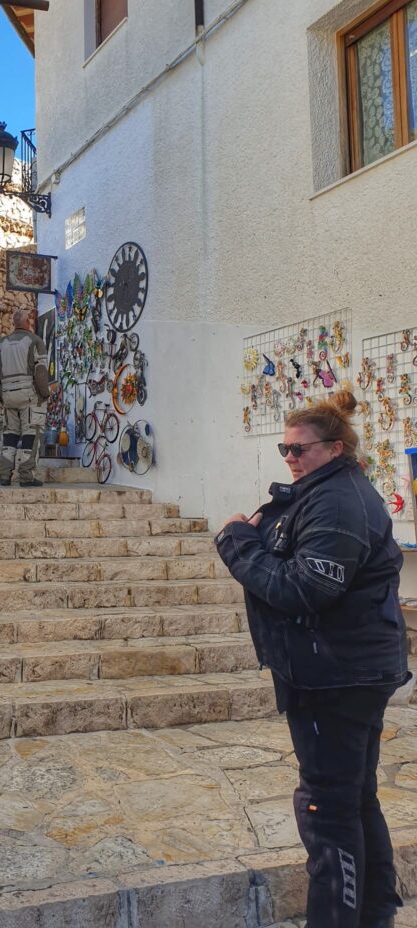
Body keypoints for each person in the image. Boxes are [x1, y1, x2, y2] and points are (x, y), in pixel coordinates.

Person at [215, 389, 409, 928]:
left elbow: (304, 589)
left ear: (336, 448)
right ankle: (373, 915)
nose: (290, 458)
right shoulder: (327, 493)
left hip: (337, 677)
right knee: (354, 798)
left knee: (327, 812)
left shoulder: (337, 501)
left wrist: (237, 542)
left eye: (300, 449)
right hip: (344, 670)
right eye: (285, 449)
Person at [0, 308, 50, 487]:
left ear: (14, 324)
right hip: (29, 397)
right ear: (28, 322)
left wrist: (0, 396)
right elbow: (40, 372)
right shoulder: (35, 341)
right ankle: (26, 476)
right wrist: (45, 394)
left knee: (10, 436)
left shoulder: (0, 344)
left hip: (8, 396)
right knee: (31, 435)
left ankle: (4, 475)